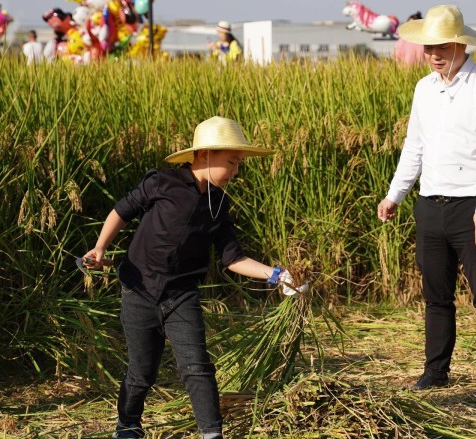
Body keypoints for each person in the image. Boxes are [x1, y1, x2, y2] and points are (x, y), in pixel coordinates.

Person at [82, 116, 308, 438]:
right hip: (139, 290)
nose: (235, 171)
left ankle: (211, 433)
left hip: (181, 296)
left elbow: (234, 258)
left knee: (197, 367)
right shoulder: (162, 182)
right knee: (142, 371)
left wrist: (277, 275)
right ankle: (128, 425)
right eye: (231, 162)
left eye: (239, 164)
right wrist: (100, 248)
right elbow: (122, 210)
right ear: (204, 155)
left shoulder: (220, 205)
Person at [377, 5, 476, 401]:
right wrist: (394, 193)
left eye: (441, 47)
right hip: (429, 205)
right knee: (436, 295)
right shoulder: (424, 88)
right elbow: (414, 146)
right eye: (428, 47)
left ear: (460, 44)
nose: (434, 54)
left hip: (470, 206)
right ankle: (436, 371)